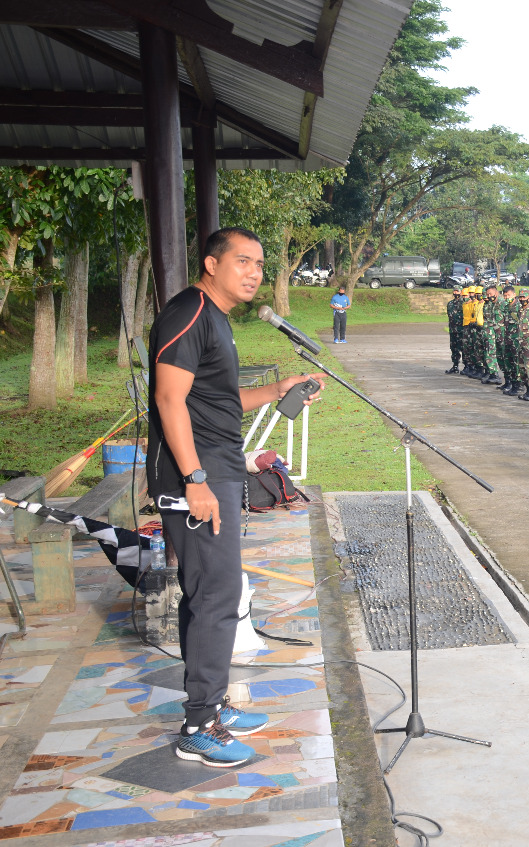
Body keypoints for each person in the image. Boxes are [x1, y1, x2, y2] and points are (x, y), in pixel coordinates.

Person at [148, 227, 325, 766]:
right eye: (242, 261)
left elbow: (218, 402)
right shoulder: (189, 313)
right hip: (196, 478)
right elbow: (169, 399)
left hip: (218, 469)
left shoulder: (216, 319)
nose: (253, 273)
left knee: (211, 594)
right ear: (210, 263)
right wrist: (195, 480)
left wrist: (276, 391)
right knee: (219, 596)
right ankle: (197, 728)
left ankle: (213, 704)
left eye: (260, 265)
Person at [497, 284, 519, 394]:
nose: (506, 298)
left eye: (508, 295)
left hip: (516, 340)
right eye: (505, 296)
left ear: (514, 295)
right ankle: (511, 383)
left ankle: (518, 386)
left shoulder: (518, 307)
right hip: (507, 338)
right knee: (508, 362)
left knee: (516, 364)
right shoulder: (506, 306)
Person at [445, 284, 463, 373]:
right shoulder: (450, 304)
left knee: (464, 349)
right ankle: (455, 366)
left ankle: (468, 367)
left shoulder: (464, 303)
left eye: (457, 291)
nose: (455, 293)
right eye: (454, 291)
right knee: (453, 348)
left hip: (462, 330)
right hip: (453, 330)